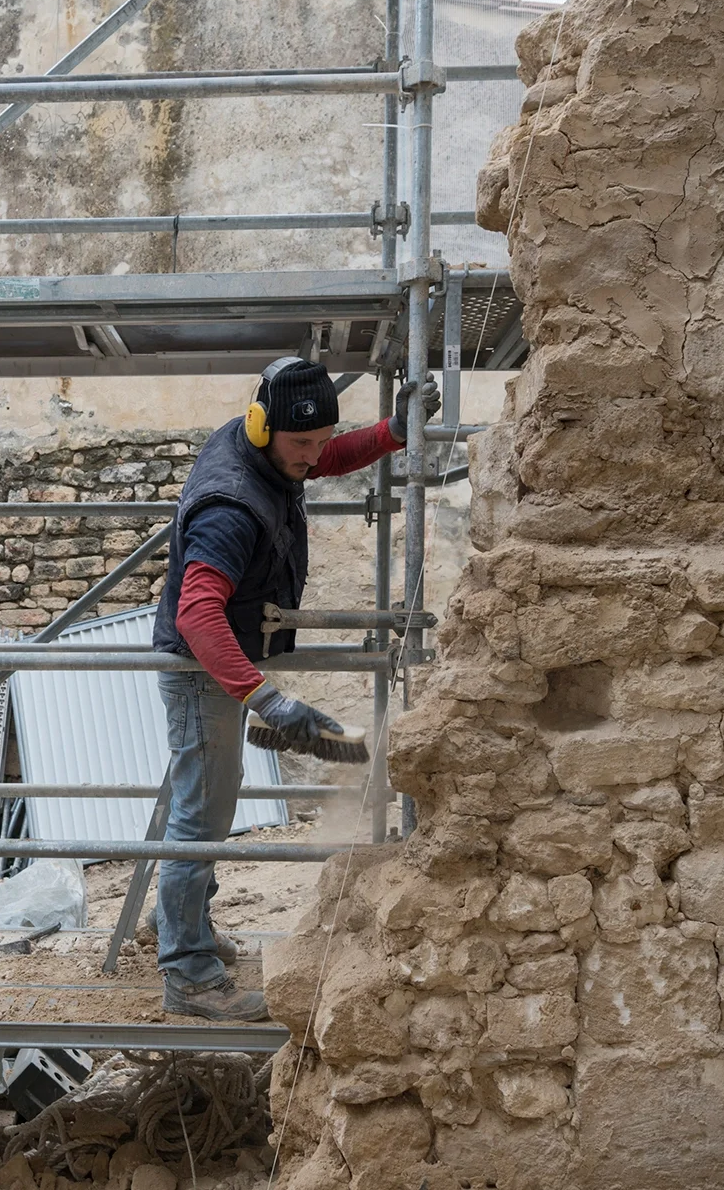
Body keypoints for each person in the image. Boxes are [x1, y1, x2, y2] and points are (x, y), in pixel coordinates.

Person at [149, 357, 439, 1021]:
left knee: (210, 803)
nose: (312, 458)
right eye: (300, 445)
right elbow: (197, 614)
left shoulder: (276, 453)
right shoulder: (231, 508)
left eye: (317, 442)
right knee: (199, 813)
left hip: (222, 660)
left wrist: (393, 429)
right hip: (201, 670)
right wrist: (267, 699)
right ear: (262, 427)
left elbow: (330, 453)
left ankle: (192, 929)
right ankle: (187, 974)